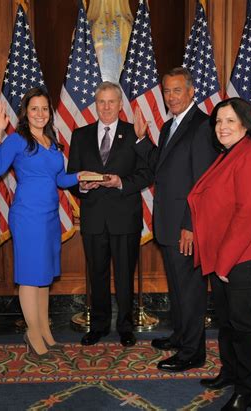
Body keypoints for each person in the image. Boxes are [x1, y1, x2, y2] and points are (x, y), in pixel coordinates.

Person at [188, 98, 251, 411]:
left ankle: (247, 388)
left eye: (229, 120)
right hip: (227, 252)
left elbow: (248, 214)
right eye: (218, 122)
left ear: (245, 123)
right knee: (226, 321)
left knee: (243, 324)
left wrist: (224, 261)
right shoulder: (230, 154)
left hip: (246, 254)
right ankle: (229, 372)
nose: (223, 127)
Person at [0, 87, 86, 359]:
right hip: (28, 217)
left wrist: (80, 177)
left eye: (44, 108)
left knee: (44, 278)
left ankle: (44, 331)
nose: (40, 113)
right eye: (34, 109)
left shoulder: (51, 142)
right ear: (25, 113)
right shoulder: (17, 140)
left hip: (50, 217)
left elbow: (59, 179)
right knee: (31, 278)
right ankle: (32, 333)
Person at [134, 67, 217, 372]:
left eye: (177, 90)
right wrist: (143, 141)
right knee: (178, 288)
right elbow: (161, 168)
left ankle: (193, 353)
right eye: (167, 91)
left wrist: (190, 225)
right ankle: (181, 336)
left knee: (191, 291)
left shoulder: (202, 126)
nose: (171, 97)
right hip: (168, 224)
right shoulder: (169, 126)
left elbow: (202, 183)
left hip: (186, 226)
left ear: (192, 91)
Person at [67, 81, 154, 347]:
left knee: (125, 275)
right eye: (101, 102)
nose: (106, 107)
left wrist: (120, 183)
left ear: (120, 105)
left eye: (111, 102)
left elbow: (147, 172)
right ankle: (100, 325)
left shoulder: (134, 134)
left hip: (124, 216)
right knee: (98, 275)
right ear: (95, 104)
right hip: (93, 218)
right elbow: (72, 176)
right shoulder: (80, 135)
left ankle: (125, 327)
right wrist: (80, 185)